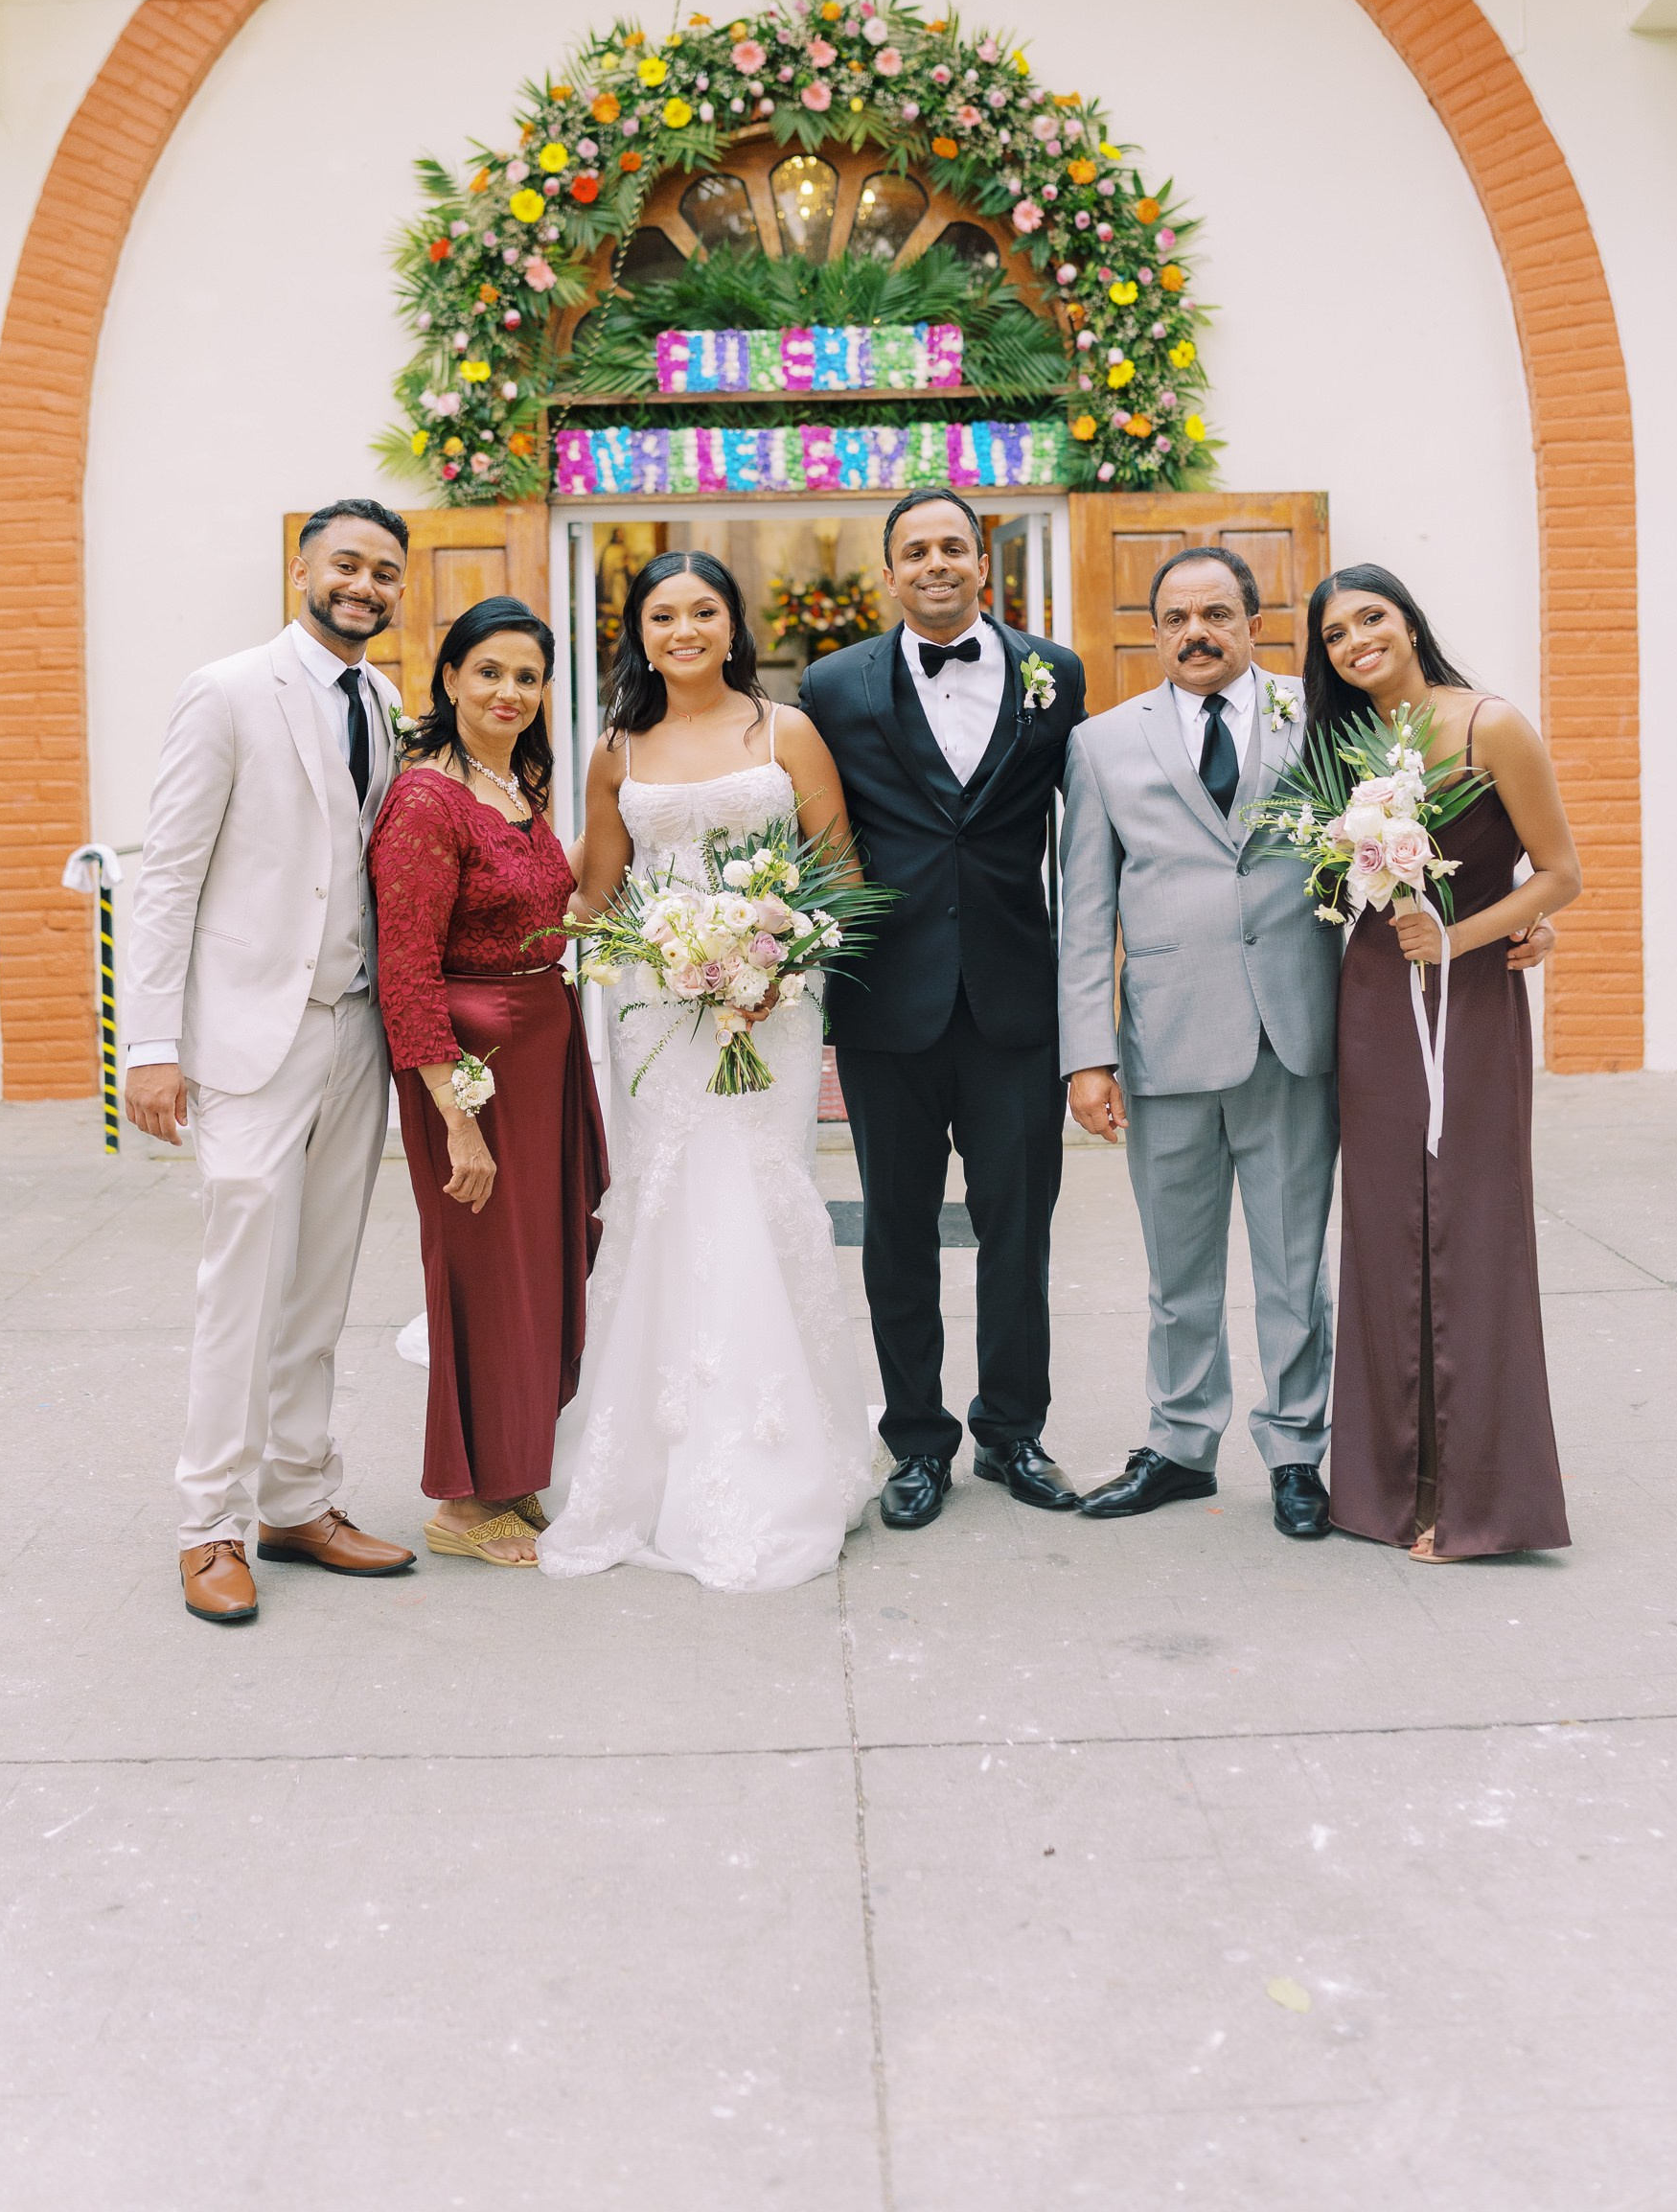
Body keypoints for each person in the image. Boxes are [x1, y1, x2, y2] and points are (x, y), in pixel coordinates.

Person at [539, 552, 874, 1591]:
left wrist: (776, 959)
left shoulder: (783, 733)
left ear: (733, 628)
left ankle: (785, 1448)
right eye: (661, 615)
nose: (682, 629)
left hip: (771, 1005)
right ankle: (654, 1453)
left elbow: (840, 875)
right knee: (672, 1199)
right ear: (638, 633)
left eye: (702, 612)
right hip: (656, 1013)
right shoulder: (615, 748)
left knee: (760, 1195)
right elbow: (596, 891)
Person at [125, 499, 418, 1624]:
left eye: (385, 572)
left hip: (355, 1029)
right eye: (347, 564)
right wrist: (152, 1047)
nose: (365, 586)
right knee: (240, 1282)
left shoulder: (384, 700)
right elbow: (167, 876)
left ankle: (299, 1500)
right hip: (250, 1036)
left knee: (319, 1285)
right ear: (304, 567)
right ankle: (210, 1524)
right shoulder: (229, 689)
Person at [795, 490, 1087, 1532]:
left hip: (1017, 998)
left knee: (1020, 1232)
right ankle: (915, 1443)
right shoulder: (830, 686)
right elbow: (810, 835)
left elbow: (1083, 836)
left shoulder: (1057, 675)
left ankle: (1013, 1430)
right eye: (913, 550)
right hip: (889, 1004)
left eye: (952, 547)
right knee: (896, 1234)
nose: (934, 563)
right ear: (887, 573)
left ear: (982, 562)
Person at [1059, 546, 1345, 1539]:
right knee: (1175, 1268)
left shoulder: (1317, 720)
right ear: (1151, 630)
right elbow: (1083, 911)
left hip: (1292, 1029)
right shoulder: (1100, 744)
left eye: (1216, 614)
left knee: (1291, 1261)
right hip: (1165, 1038)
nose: (1196, 633)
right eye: (1176, 617)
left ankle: (1297, 1449)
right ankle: (1179, 1443)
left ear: (1253, 622)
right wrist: (1084, 1053)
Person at [1307, 564, 1578, 1559]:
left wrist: (1464, 943)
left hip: (1464, 1001)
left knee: (1472, 1219)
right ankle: (1381, 1490)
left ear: (1409, 623)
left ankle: (1473, 1500)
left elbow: (1559, 873)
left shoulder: (1488, 725)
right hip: (1376, 1001)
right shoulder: (1339, 746)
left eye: (1368, 618)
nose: (1353, 642)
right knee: (1382, 1231)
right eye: (1334, 634)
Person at [369, 597, 607, 1569]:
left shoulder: (520, 784)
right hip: (471, 1066)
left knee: (540, 1268)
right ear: (451, 680)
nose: (509, 691)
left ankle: (513, 1477)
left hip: (545, 1044)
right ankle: (463, 1504)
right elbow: (406, 970)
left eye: (526, 676)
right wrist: (455, 1121)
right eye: (490, 673)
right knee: (479, 1276)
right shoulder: (427, 801)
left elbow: (556, 904)